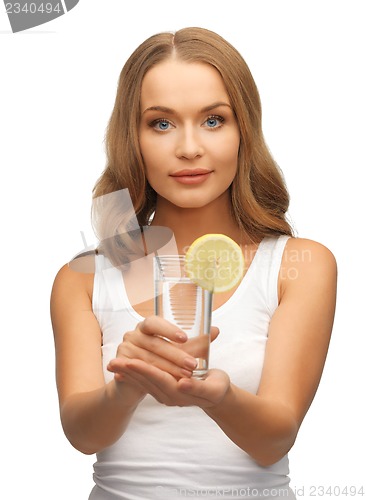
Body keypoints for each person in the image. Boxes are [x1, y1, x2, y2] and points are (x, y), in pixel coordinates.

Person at [50, 27, 337, 500]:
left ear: (244, 128)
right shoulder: (84, 278)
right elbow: (83, 436)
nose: (188, 147)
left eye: (213, 120)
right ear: (133, 137)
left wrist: (218, 397)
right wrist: (128, 384)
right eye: (161, 123)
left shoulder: (298, 266)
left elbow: (274, 440)